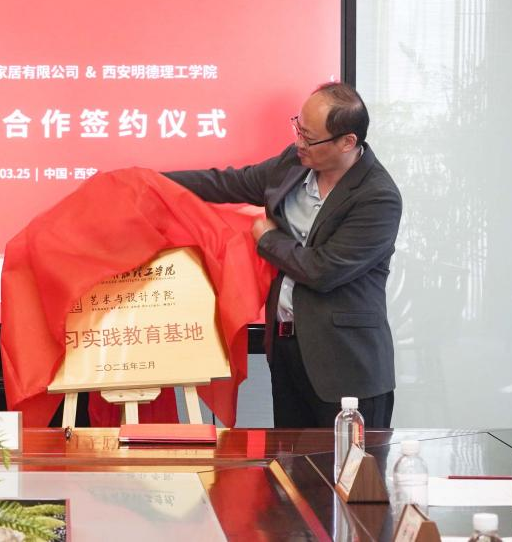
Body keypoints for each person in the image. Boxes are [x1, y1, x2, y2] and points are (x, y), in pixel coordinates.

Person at [164, 82, 402, 428]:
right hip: (288, 352)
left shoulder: (378, 197)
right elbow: (227, 183)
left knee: (350, 464)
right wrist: (152, 182)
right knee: (290, 460)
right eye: (298, 129)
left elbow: (323, 270)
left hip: (346, 365)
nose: (299, 143)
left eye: (309, 138)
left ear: (347, 142)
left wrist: (268, 239)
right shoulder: (294, 164)